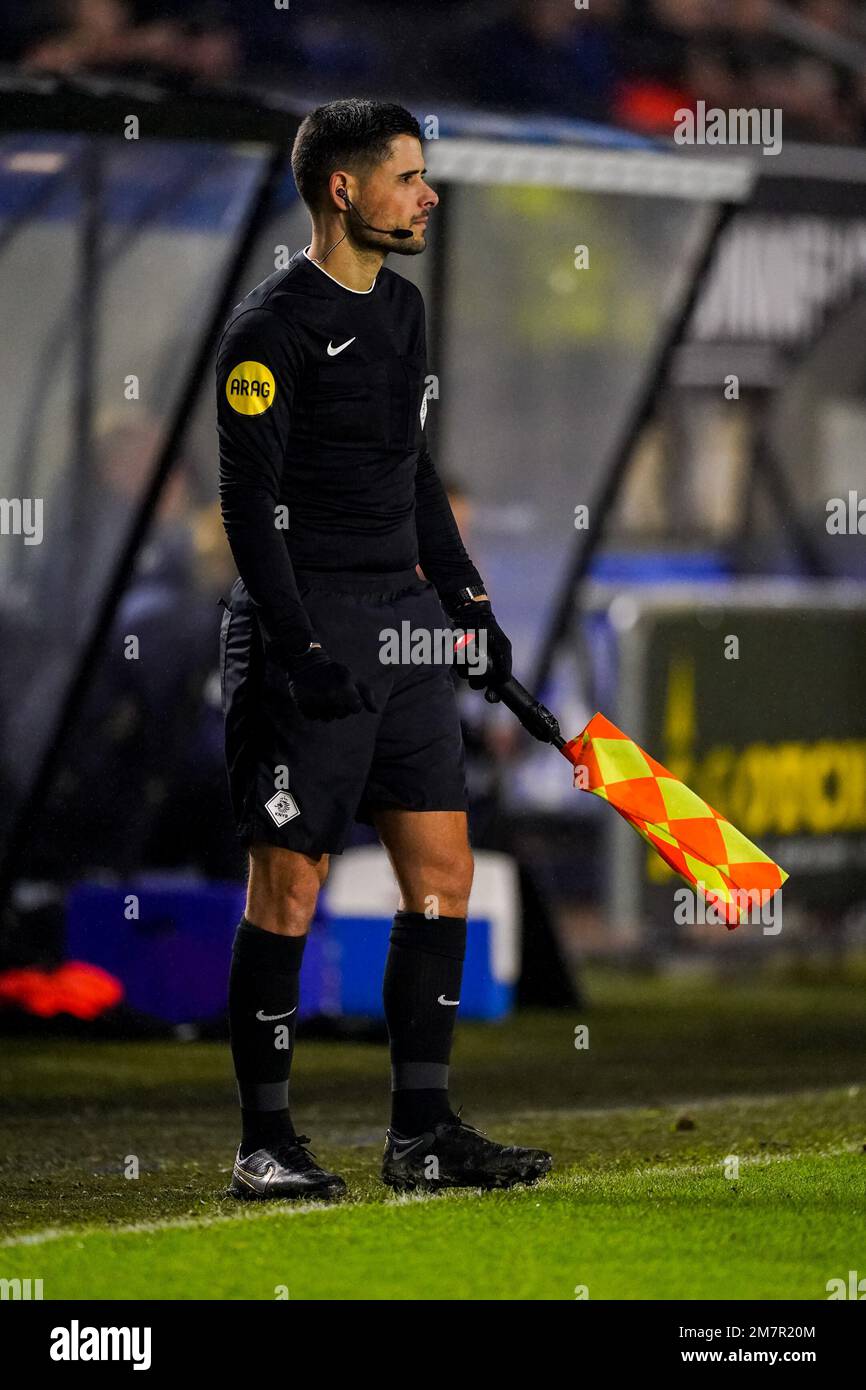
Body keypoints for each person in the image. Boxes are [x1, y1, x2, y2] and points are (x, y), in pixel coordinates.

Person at [216, 98, 553, 1200]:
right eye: (407, 176)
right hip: (304, 621)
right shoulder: (269, 329)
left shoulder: (401, 313)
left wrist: (463, 598)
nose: (428, 194)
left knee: (441, 878)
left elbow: (407, 471)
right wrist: (296, 645)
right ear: (343, 190)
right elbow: (245, 503)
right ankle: (265, 1141)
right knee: (288, 893)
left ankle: (422, 1133)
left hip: (401, 617)